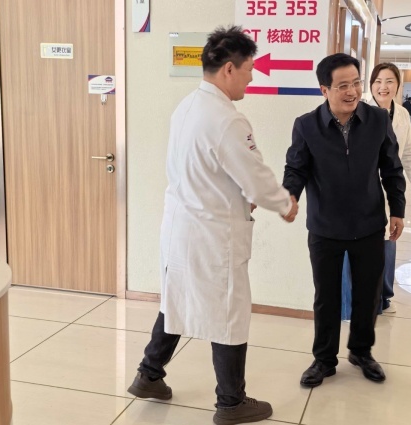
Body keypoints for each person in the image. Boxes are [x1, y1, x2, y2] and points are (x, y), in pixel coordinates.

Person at [127, 26, 298, 425]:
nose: (252, 77)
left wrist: (245, 193)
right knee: (229, 313)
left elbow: (209, 170)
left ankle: (149, 375)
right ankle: (231, 402)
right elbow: (255, 176)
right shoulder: (227, 120)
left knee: (176, 300)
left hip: (180, 227)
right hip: (212, 234)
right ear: (228, 69)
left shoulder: (186, 107)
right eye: (249, 69)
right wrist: (284, 204)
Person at [283, 53, 406, 388]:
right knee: (327, 296)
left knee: (368, 295)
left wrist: (397, 209)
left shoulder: (377, 119)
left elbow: (392, 168)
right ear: (324, 90)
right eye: (342, 86)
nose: (352, 91)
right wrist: (290, 195)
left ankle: (361, 352)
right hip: (325, 226)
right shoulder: (307, 125)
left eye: (356, 83)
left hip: (369, 224)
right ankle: (324, 359)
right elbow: (296, 169)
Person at [368, 63, 411, 314]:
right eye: (378, 81)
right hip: (366, 189)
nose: (383, 87)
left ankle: (385, 296)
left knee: (390, 239)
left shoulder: (401, 114)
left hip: (392, 187)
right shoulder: (361, 111)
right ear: (371, 85)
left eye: (389, 81)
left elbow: (408, 152)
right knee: (367, 245)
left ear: (398, 86)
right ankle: (367, 298)